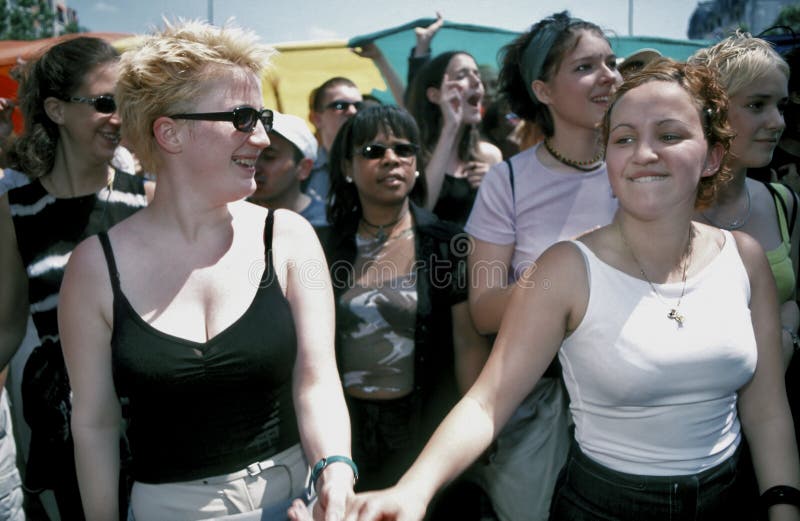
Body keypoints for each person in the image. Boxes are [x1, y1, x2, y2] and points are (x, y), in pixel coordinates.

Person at [341, 57, 800, 521]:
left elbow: (767, 410)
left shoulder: (745, 259)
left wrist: (783, 507)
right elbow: (489, 399)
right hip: (603, 507)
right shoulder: (564, 268)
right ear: (608, 160)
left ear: (713, 156)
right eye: (624, 138)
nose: (644, 153)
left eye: (669, 135)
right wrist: (413, 490)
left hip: (729, 501)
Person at [58, 20, 354, 520]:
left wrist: (337, 473)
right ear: (169, 132)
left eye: (261, 116)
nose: (261, 137)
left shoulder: (288, 236)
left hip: (292, 504)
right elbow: (95, 424)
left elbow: (317, 378)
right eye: (242, 117)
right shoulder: (94, 268)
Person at [463, 12, 621, 521]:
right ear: (544, 91)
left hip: (631, 394)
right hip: (536, 399)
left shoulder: (644, 168)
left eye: (611, 63)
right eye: (585, 67)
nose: (610, 77)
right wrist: (573, 261)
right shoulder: (506, 182)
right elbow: (485, 310)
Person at [0, 36, 152, 519]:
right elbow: (5, 329)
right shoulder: (14, 212)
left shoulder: (150, 199)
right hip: (62, 433)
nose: (119, 118)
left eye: (126, 105)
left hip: (156, 425)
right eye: (106, 103)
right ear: (57, 110)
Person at [315, 105, 489, 518]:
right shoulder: (322, 247)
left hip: (427, 434)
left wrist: (480, 440)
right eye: (373, 150)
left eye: (404, 149)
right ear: (347, 167)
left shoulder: (448, 243)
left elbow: (467, 344)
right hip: (345, 443)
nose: (391, 159)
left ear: (416, 165)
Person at [690, 33, 799, 367]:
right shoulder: (663, 210)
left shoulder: (784, 202)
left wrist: (785, 339)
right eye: (756, 105)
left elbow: (792, 299)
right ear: (711, 111)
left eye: (780, 106)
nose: (778, 122)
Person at [406, 51, 502, 226]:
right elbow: (420, 211)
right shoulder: (409, 153)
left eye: (476, 73)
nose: (476, 81)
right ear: (434, 95)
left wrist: (495, 188)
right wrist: (450, 128)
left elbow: (501, 225)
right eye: (462, 75)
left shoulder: (488, 156)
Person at [249, 111, 326, 226]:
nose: (254, 167)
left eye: (269, 157)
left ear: (304, 168)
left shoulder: (328, 224)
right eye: (250, 155)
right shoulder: (234, 218)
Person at [305, 77, 364, 204]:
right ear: (316, 119)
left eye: (359, 106)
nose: (353, 111)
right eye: (340, 106)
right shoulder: (302, 172)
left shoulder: (379, 163)